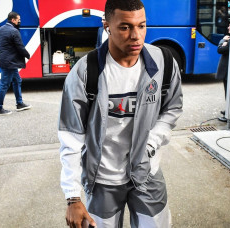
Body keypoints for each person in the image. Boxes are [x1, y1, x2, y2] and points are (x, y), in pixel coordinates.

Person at [58, 0, 183, 227]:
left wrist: (152, 142)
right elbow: (71, 137)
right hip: (103, 179)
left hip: (147, 174)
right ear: (107, 26)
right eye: (125, 27)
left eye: (141, 26)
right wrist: (73, 197)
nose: (136, 36)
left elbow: (172, 109)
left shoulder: (164, 62)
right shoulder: (86, 72)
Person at [0, 12, 32, 116]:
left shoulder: (0, 29)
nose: (19, 21)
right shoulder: (14, 31)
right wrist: (28, 55)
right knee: (4, 84)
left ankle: (19, 103)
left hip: (4, 60)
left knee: (17, 80)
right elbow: (19, 46)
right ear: (13, 20)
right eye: (18, 19)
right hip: (9, 62)